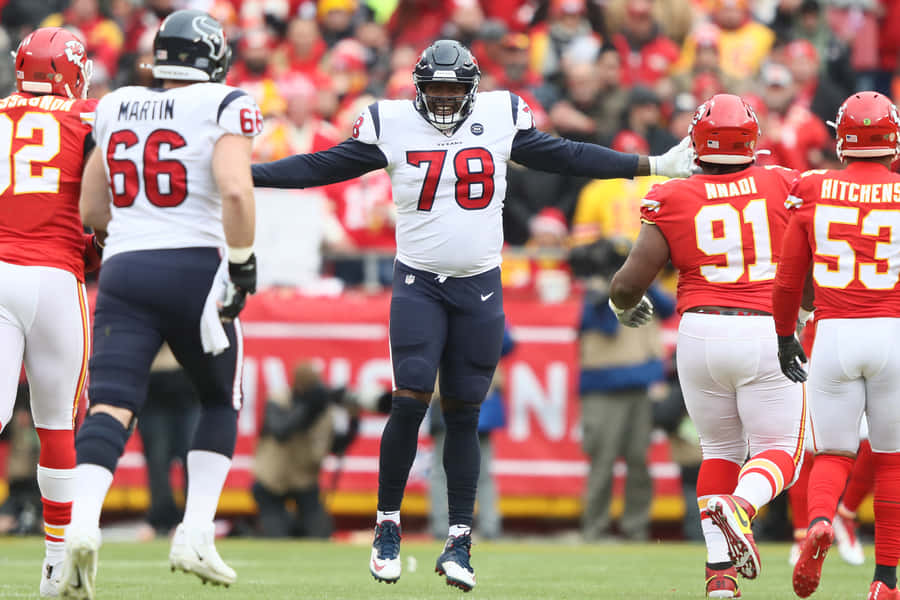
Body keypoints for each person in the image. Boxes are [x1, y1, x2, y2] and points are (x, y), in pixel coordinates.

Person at [250, 39, 695, 591]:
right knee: (410, 398)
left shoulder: (499, 114)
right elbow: (322, 166)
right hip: (418, 283)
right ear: (417, 87)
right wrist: (249, 175)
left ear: (470, 90)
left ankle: (460, 539)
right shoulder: (390, 122)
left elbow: (567, 155)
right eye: (433, 89)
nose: (441, 99)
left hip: (479, 287)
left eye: (451, 89)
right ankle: (387, 524)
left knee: (465, 414)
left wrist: (650, 164)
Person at [60, 10, 261, 598]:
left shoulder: (117, 102)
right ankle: (195, 531)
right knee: (219, 397)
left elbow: (91, 209)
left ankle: (80, 523)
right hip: (195, 264)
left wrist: (127, 238)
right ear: (213, 58)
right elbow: (233, 188)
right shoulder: (224, 103)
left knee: (111, 404)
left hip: (124, 267)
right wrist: (243, 259)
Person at [608, 93, 807, 598]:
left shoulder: (673, 195)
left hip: (698, 333)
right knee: (782, 452)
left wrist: (621, 309)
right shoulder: (782, 182)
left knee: (717, 449)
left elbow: (627, 285)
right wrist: (804, 311)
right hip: (764, 327)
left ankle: (719, 575)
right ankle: (741, 507)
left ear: (697, 139)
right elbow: (808, 261)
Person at [772, 91, 900, 600]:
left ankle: (820, 521)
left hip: (834, 331)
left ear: (842, 138)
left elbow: (786, 283)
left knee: (832, 453)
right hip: (891, 329)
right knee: (890, 461)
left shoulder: (811, 187)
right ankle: (885, 581)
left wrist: (785, 336)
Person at [0, 27, 99, 597]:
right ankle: (56, 565)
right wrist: (97, 249)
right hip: (56, 275)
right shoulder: (88, 117)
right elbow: (101, 205)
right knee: (57, 422)